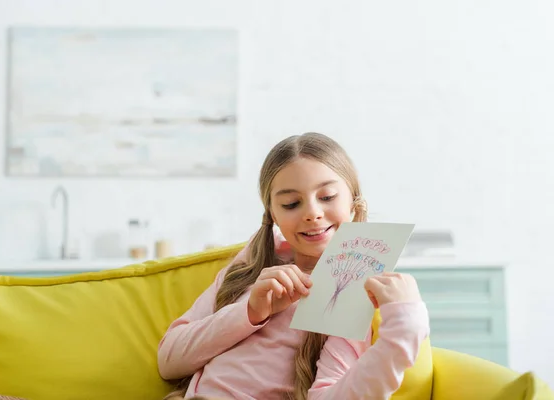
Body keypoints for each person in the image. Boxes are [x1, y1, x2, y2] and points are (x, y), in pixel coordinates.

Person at [158, 132, 430, 400]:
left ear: (354, 203)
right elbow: (168, 362)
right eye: (291, 203)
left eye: (327, 197)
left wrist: (406, 327)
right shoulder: (251, 266)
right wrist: (250, 311)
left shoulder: (352, 291)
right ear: (273, 213)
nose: (312, 212)